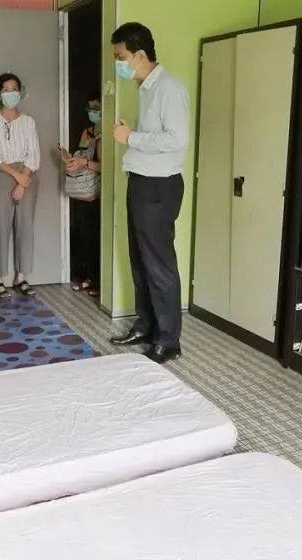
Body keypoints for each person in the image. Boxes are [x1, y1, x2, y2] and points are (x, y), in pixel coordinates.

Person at [108, 22, 189, 364]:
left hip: (159, 186)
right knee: (140, 261)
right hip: (142, 182)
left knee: (159, 264)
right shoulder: (145, 88)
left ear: (139, 55)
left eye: (120, 57)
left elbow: (177, 139)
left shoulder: (170, 88)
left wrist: (131, 137)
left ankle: (168, 340)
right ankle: (146, 326)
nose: (118, 63)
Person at [0, 73, 40, 300]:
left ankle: (21, 277)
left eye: (14, 88)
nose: (11, 93)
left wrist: (23, 181)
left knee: (25, 226)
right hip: (1, 174)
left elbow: (33, 154)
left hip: (27, 175)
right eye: (6, 90)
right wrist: (16, 176)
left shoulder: (28, 122)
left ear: (20, 91)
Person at [60, 92, 102, 298]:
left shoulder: (110, 133)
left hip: (101, 193)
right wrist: (71, 160)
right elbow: (81, 154)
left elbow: (107, 166)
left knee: (97, 237)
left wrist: (84, 163)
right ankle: (86, 276)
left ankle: (98, 280)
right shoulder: (88, 131)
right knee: (84, 235)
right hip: (84, 191)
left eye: (96, 108)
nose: (92, 112)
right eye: (90, 109)